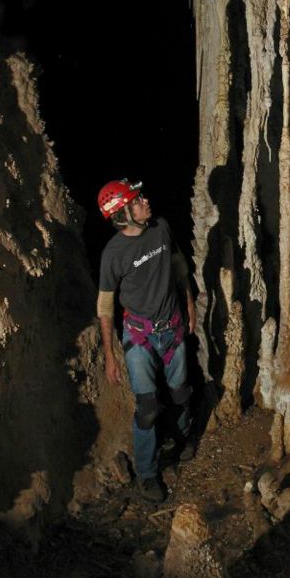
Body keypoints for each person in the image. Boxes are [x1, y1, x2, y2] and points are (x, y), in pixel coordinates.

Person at [96, 178, 196, 503]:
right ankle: (147, 474)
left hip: (173, 325)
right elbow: (105, 305)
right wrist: (111, 356)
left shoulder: (161, 228)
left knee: (180, 392)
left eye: (141, 197)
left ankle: (182, 438)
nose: (145, 201)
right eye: (137, 200)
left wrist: (190, 307)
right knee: (147, 408)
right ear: (123, 213)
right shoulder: (113, 254)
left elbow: (179, 268)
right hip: (139, 334)